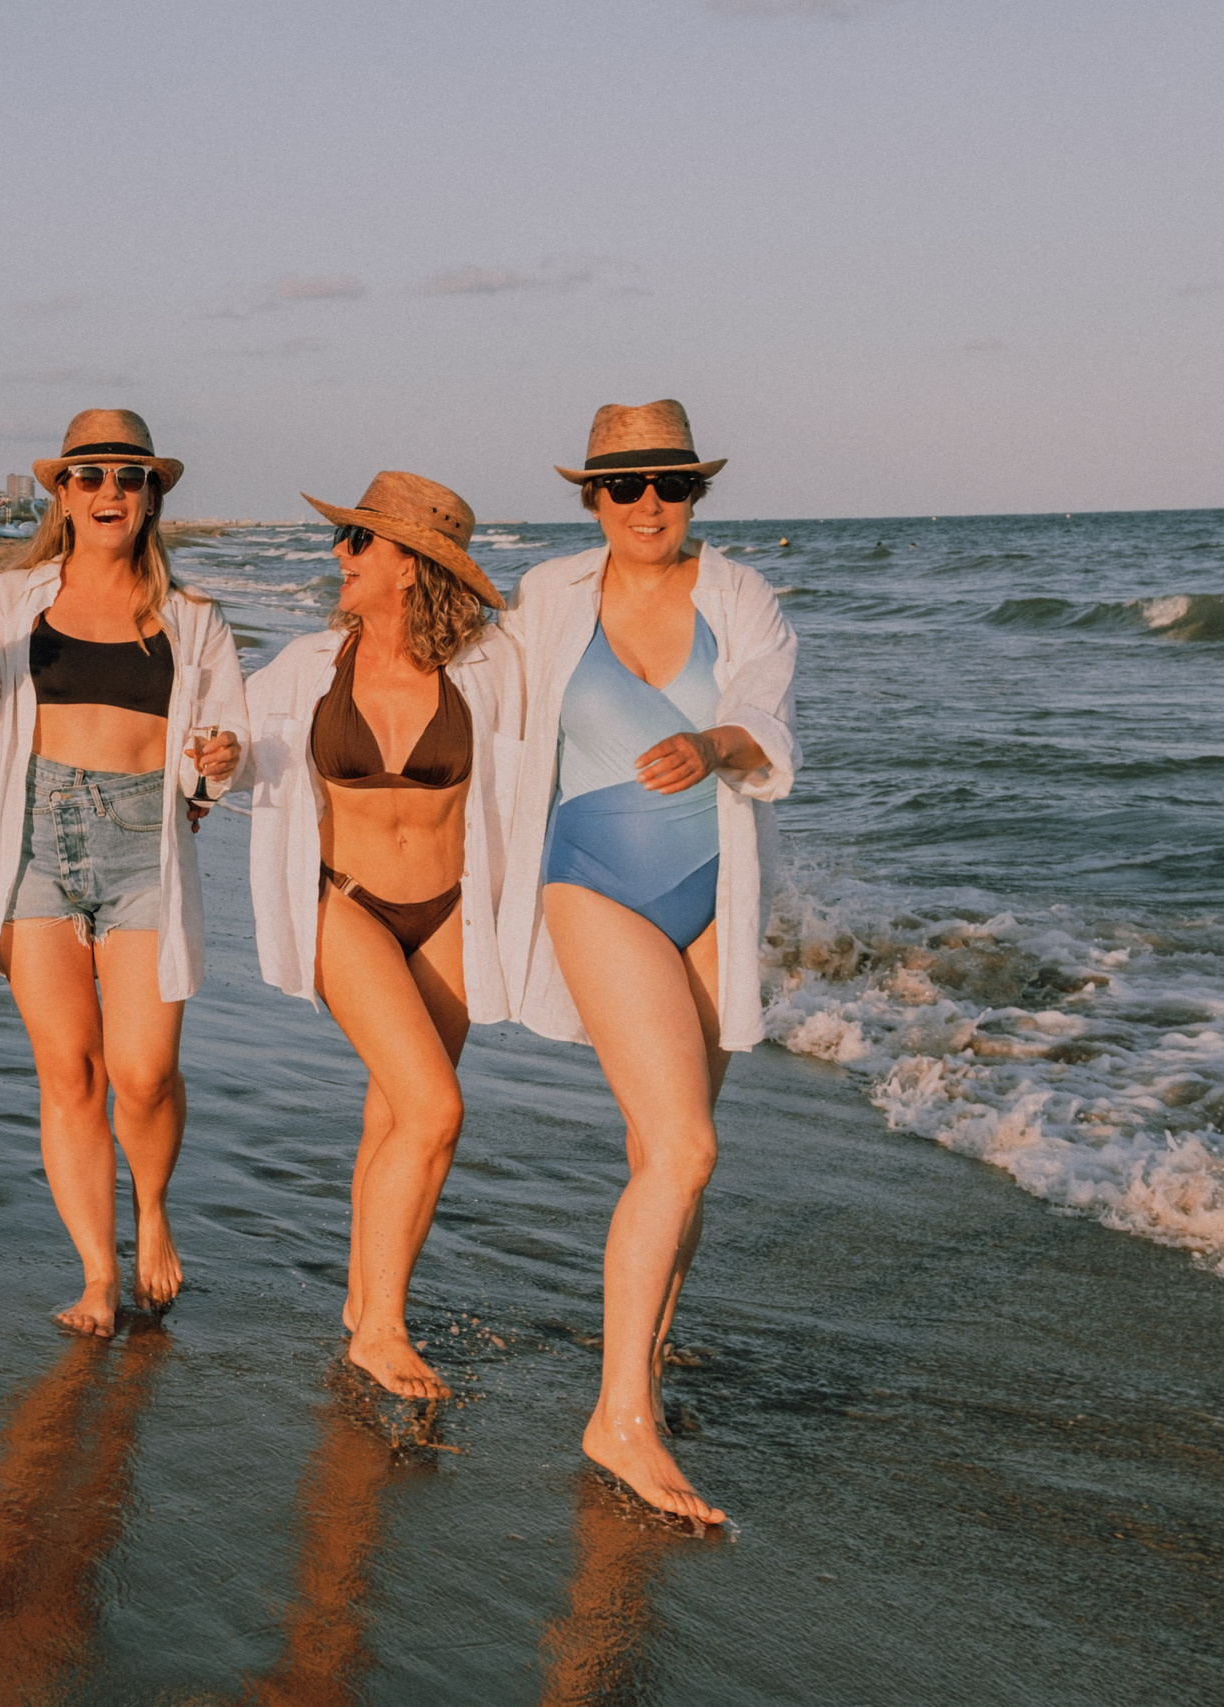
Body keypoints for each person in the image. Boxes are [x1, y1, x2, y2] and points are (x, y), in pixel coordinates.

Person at [500, 400, 799, 1525]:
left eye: (669, 483)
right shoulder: (549, 596)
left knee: (667, 1159)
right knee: (685, 1145)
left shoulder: (740, 596)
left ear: (694, 492)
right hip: (594, 877)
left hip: (711, 885)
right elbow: (467, 686)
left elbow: (764, 709)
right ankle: (616, 1416)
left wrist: (713, 742)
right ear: (593, 497)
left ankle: (647, 1375)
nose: (647, 504)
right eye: (624, 485)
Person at [0, 409, 246, 1335]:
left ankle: (153, 1207)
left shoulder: (194, 618)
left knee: (143, 1073)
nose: (110, 491)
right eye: (90, 475)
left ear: (151, 497)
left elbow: (226, 743)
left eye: (129, 477)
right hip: (33, 841)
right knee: (69, 1071)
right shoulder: (14, 600)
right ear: (61, 494)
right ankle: (99, 1274)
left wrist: (218, 760)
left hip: (145, 847)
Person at [243, 472, 522, 1398]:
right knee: (435, 1110)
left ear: (410, 567)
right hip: (347, 901)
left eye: (361, 540)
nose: (341, 553)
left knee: (398, 1114)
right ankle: (385, 1330)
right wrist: (215, 762)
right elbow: (232, 737)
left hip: (451, 909)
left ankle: (365, 1302)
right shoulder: (309, 663)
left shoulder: (490, 666)